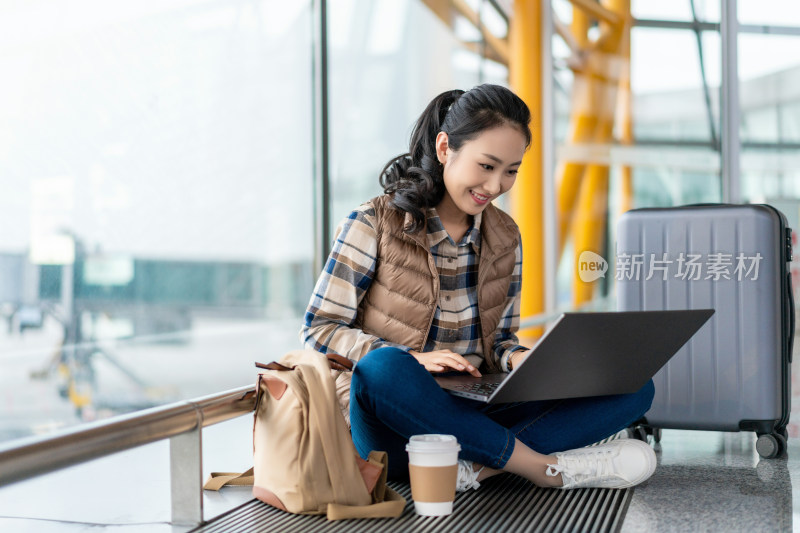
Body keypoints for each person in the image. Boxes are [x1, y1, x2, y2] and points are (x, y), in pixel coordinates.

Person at [300, 84, 656, 492]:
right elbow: (319, 329)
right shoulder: (373, 223)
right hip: (396, 419)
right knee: (384, 369)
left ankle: (479, 468)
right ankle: (540, 467)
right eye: (486, 165)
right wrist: (414, 359)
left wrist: (520, 358)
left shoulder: (506, 235)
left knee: (632, 385)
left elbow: (500, 340)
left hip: (475, 407)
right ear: (445, 147)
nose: (495, 185)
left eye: (511, 171)